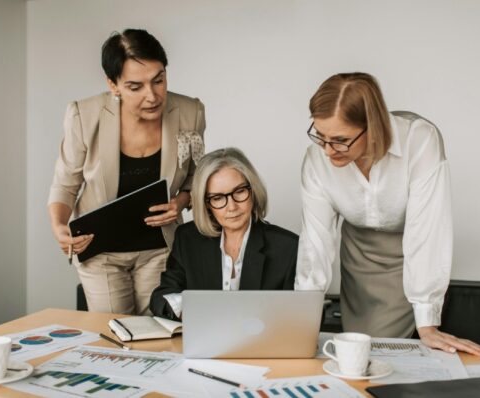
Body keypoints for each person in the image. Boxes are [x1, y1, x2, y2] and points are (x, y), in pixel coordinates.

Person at [295, 72, 480, 357]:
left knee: (390, 353)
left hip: (410, 249)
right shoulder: (316, 161)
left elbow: (427, 230)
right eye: (320, 136)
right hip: (359, 254)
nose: (327, 150)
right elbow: (316, 242)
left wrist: (427, 322)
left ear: (371, 127)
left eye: (340, 140)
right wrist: (303, 321)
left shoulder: (419, 140)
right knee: (361, 350)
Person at [48, 29, 205, 315]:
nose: (153, 95)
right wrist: (59, 227)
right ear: (113, 84)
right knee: (116, 334)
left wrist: (180, 203)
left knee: (159, 333)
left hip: (160, 248)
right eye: (136, 87)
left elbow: (197, 179)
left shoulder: (190, 111)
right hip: (100, 251)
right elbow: (65, 184)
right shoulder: (84, 115)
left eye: (159, 80)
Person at [150, 148, 298, 320]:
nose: (232, 207)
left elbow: (302, 315)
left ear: (253, 191)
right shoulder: (188, 238)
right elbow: (161, 297)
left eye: (239, 191)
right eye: (218, 198)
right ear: (206, 204)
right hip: (203, 343)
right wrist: (189, 307)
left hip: (261, 344)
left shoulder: (288, 247)